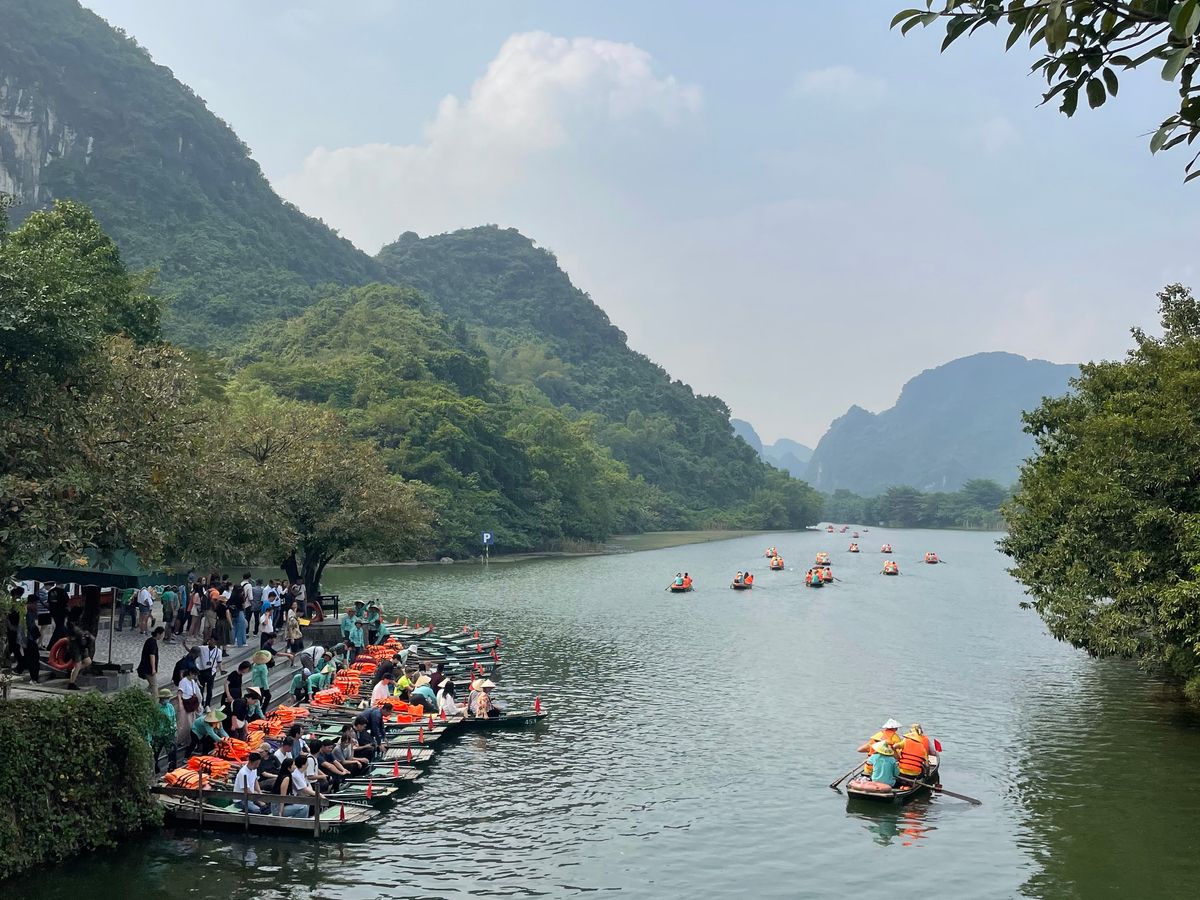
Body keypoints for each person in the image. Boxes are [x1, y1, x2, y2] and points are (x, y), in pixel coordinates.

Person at [65, 615, 94, 690]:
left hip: (80, 647)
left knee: (88, 661)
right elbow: (78, 636)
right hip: (75, 647)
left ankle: (73, 672)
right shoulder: (74, 627)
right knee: (78, 665)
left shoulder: (80, 625)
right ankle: (71, 683)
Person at [196, 636, 223, 707]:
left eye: (213, 641)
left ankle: (207, 704)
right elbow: (193, 651)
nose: (211, 642)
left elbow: (219, 662)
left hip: (212, 672)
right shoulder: (202, 648)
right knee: (201, 688)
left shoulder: (218, 651)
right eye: (210, 640)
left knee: (209, 689)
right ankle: (201, 703)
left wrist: (221, 670)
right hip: (201, 670)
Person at [176, 668, 201, 741]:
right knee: (185, 724)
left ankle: (189, 739)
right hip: (185, 704)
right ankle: (182, 740)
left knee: (192, 723)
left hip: (191, 705)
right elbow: (179, 693)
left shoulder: (192, 681)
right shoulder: (183, 681)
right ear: (190, 673)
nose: (195, 676)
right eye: (194, 675)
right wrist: (180, 704)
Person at [137, 627, 163, 696]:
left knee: (151, 685)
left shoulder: (150, 640)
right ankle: (155, 700)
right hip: (148, 668)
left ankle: (142, 695)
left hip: (145, 666)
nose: (162, 636)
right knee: (154, 685)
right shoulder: (152, 643)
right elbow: (152, 656)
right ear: (158, 634)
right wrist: (153, 669)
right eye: (162, 634)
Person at [23, 594, 41, 684]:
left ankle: (34, 678)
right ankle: (34, 679)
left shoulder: (26, 611)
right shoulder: (29, 613)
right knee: (34, 659)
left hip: (26, 639)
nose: (36, 606)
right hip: (29, 639)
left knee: (31, 659)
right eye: (35, 603)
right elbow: (31, 626)